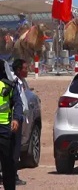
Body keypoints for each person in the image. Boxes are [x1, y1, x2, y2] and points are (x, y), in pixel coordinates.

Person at [0, 59, 23, 190]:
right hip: (5, 131)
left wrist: (16, 119)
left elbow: (18, 104)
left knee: (8, 166)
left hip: (5, 132)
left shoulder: (8, 86)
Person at [7, 59, 27, 186]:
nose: (27, 70)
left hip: (18, 119)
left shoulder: (20, 82)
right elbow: (16, 102)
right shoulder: (13, 83)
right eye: (25, 68)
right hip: (13, 121)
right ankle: (12, 176)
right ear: (19, 70)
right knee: (14, 150)